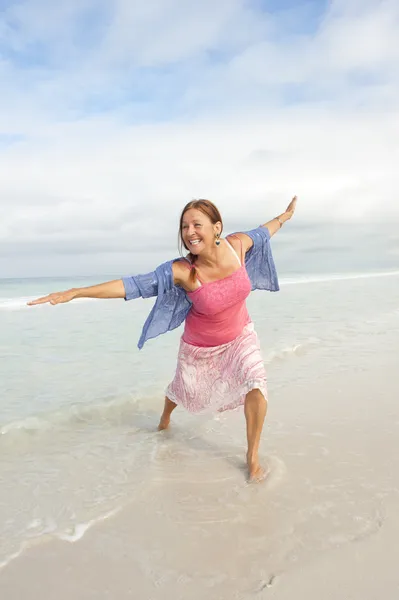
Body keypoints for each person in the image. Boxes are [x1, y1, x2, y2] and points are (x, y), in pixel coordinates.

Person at [28, 196, 297, 482]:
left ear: (217, 228)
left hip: (241, 336)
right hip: (200, 348)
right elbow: (133, 285)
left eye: (197, 224)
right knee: (182, 390)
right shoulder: (184, 271)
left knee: (256, 384)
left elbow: (265, 231)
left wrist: (284, 216)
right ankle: (165, 418)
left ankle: (251, 456)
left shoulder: (239, 245)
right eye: (184, 226)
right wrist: (77, 292)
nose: (190, 232)